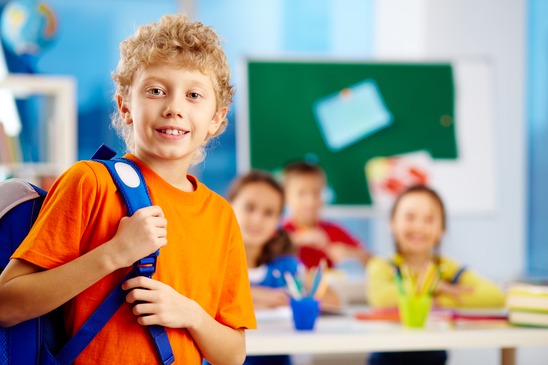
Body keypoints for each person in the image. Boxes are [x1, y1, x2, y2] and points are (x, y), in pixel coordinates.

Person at [0, 14, 256, 365]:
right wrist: (114, 254)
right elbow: (7, 304)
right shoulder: (90, 183)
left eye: (194, 95)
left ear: (217, 118)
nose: (174, 108)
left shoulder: (221, 217)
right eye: (155, 91)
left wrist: (191, 315)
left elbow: (234, 354)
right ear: (125, 105)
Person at [366, 185, 505, 365]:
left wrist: (433, 302)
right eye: (410, 217)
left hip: (434, 357)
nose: (419, 226)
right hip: (387, 358)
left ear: (442, 229)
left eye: (429, 219)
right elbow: (381, 298)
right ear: (392, 223)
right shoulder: (381, 265)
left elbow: (495, 295)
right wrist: (434, 287)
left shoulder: (446, 267)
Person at [227, 170, 341, 365]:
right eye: (249, 207)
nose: (257, 219)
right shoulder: (212, 261)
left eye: (269, 213)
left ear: (278, 223)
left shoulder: (286, 266)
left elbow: (332, 301)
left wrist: (294, 303)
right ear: (227, 208)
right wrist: (259, 296)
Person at [281, 161, 371, 271]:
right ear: (285, 196)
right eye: (301, 193)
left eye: (316, 193)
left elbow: (373, 261)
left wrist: (352, 253)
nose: (310, 201)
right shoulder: (281, 232)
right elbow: (266, 250)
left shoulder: (334, 231)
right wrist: (299, 239)